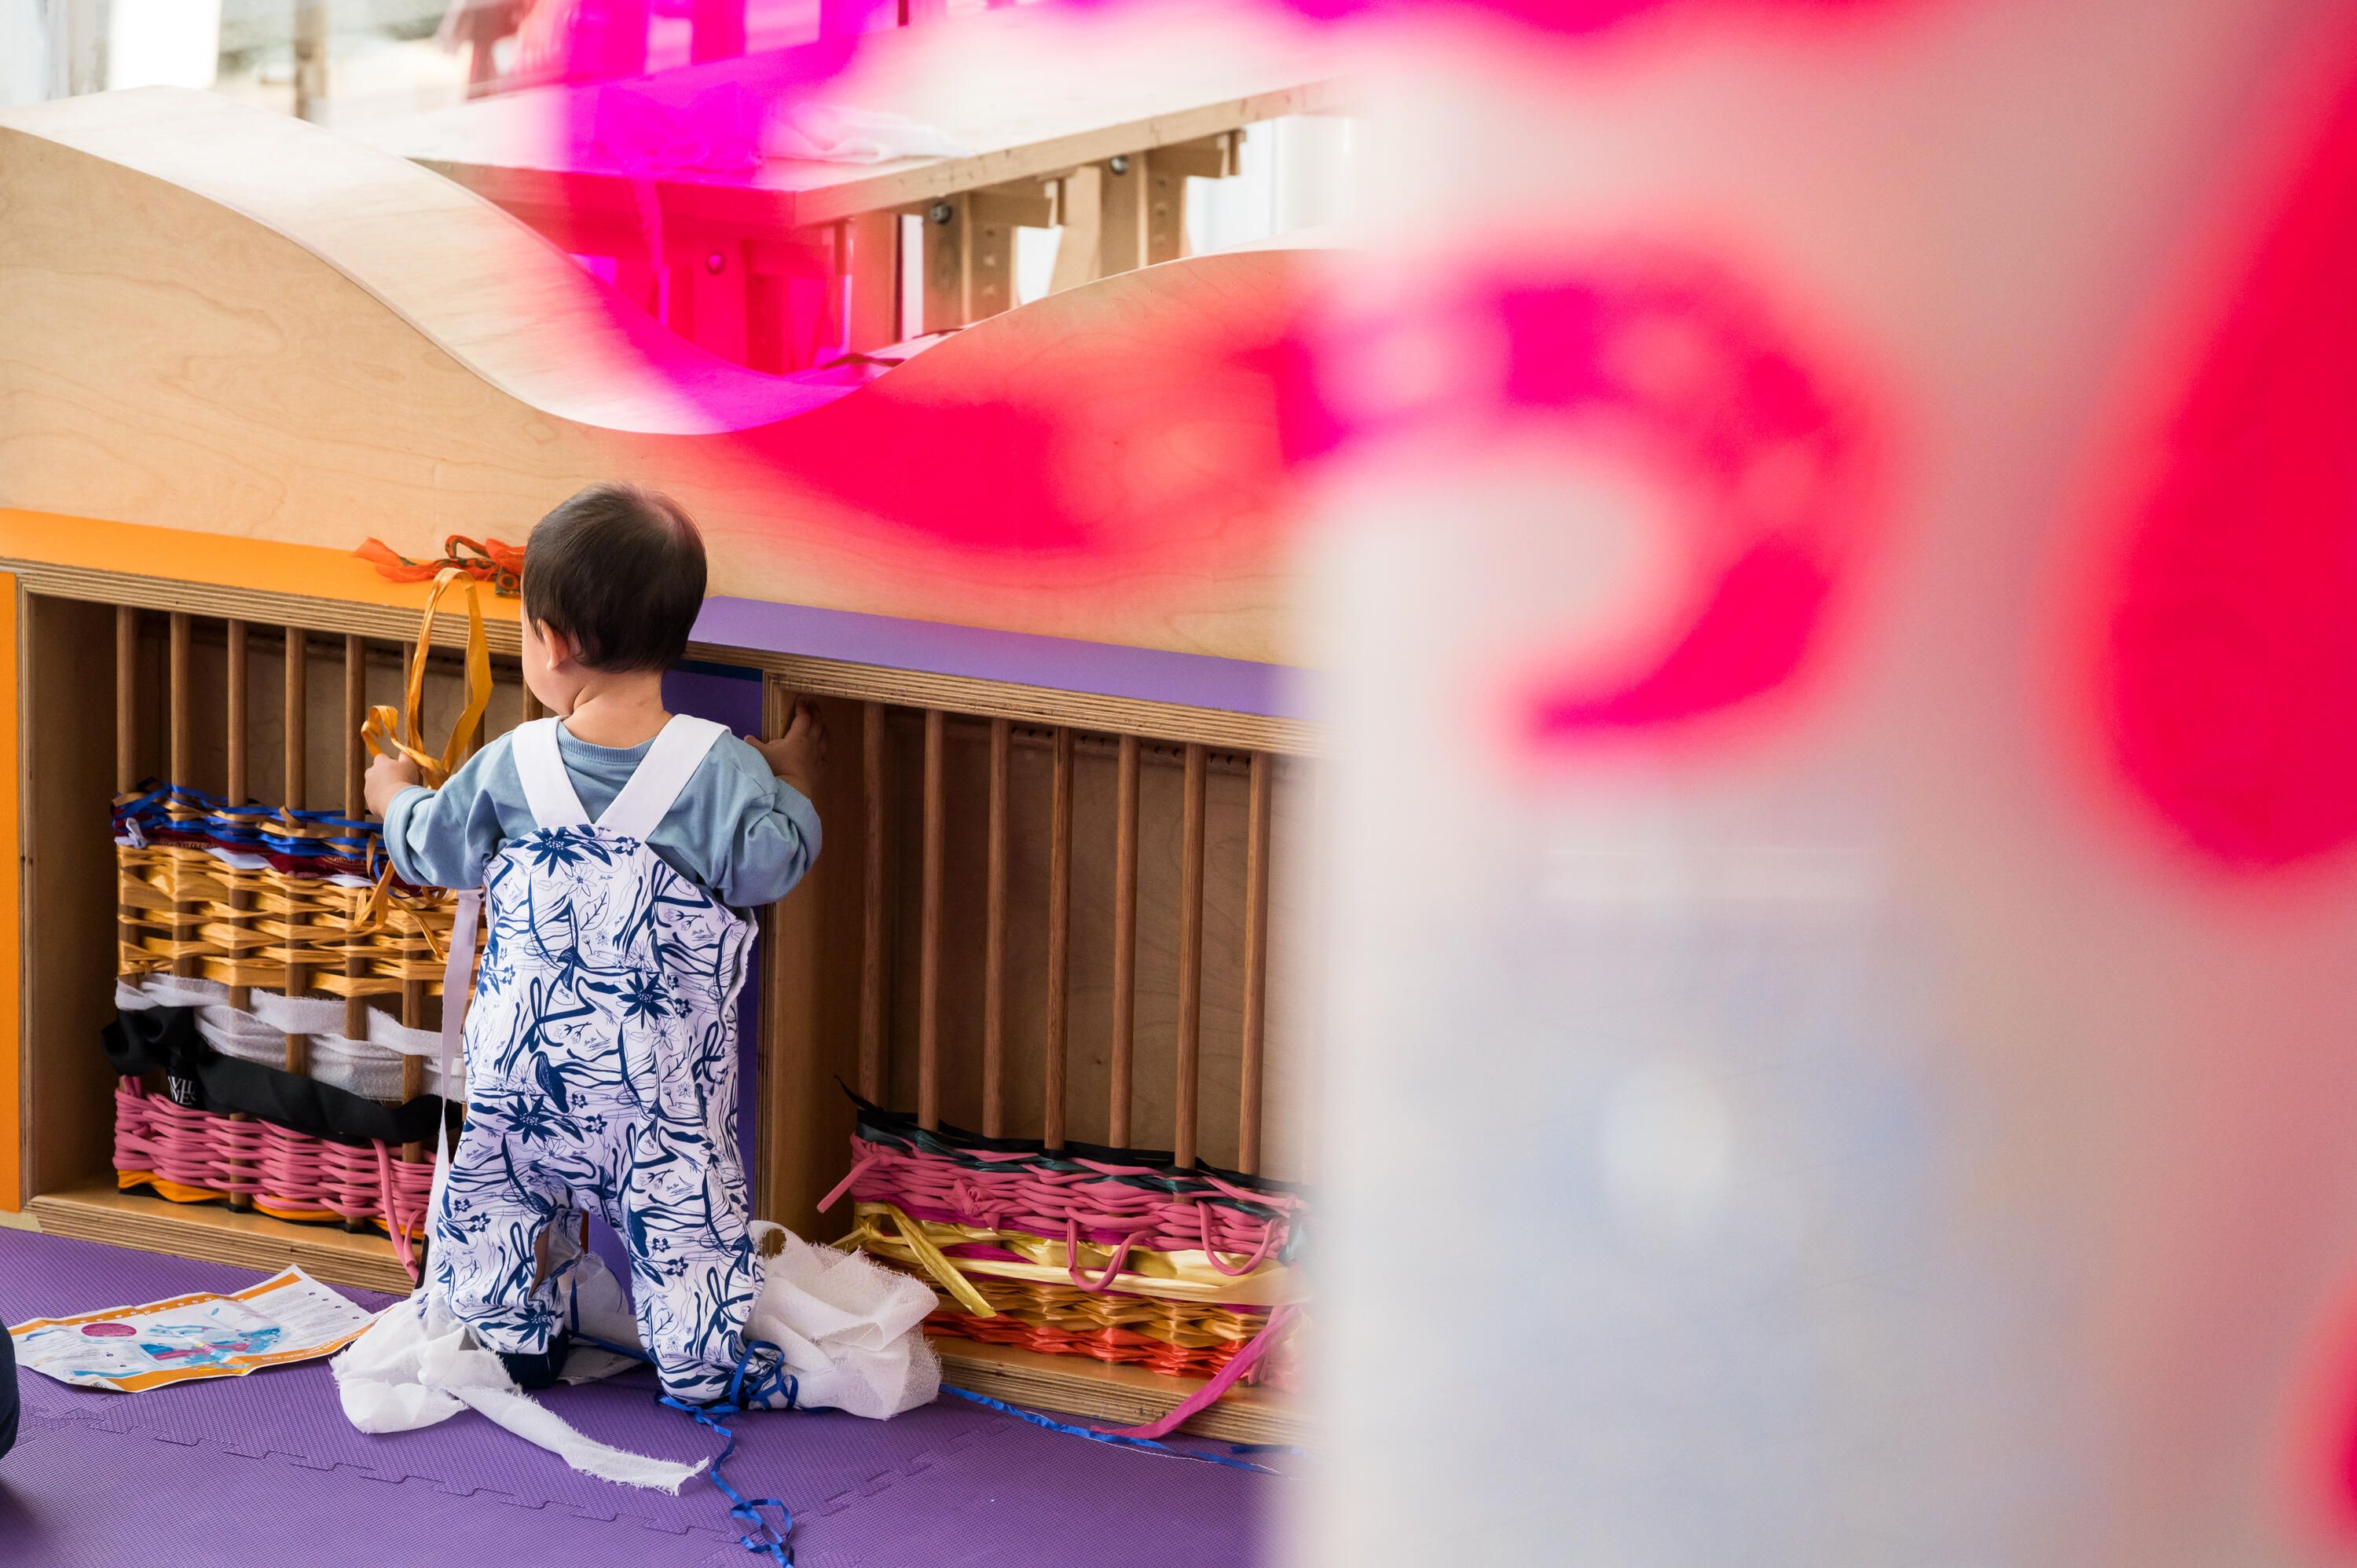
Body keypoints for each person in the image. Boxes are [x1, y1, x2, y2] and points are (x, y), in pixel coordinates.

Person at [365, 483, 825, 1405]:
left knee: (496, 1196)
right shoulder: (719, 766)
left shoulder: (511, 763)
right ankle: (696, 1365)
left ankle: (511, 1340)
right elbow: (770, 866)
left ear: (556, 641)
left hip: (520, 1079)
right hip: (653, 1100)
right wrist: (796, 786)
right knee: (684, 1220)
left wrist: (393, 796)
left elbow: (435, 849)